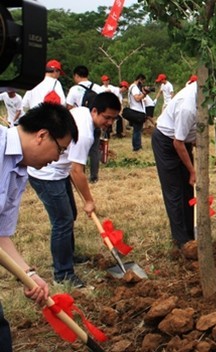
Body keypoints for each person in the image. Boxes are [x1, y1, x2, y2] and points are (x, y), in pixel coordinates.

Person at [1, 103, 78, 352]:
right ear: (42, 135)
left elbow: (1, 236)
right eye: (60, 149)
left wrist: (29, 275)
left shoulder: (20, 171)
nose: (58, 158)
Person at [27, 93, 121, 288]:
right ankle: (63, 274)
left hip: (59, 170)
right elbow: (77, 170)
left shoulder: (81, 111)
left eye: (113, 118)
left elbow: (72, 166)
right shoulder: (85, 132)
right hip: (47, 174)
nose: (109, 123)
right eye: (106, 117)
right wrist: (89, 200)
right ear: (95, 111)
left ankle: (67, 254)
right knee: (62, 221)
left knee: (70, 214)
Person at [152, 81, 197, 248]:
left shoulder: (205, 94)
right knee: (174, 191)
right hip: (166, 141)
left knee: (188, 189)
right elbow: (178, 143)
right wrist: (192, 170)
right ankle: (181, 241)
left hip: (182, 140)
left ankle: (191, 233)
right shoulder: (188, 107)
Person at [65, 65, 103, 183]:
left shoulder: (74, 89)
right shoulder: (98, 88)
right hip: (96, 122)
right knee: (94, 150)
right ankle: (94, 176)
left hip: (79, 124)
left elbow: (69, 107)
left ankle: (80, 173)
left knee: (79, 150)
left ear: (76, 75)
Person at [128, 74, 151, 151]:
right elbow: (137, 98)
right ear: (139, 80)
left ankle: (137, 145)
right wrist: (144, 93)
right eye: (142, 81)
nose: (142, 84)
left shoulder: (133, 87)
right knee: (137, 130)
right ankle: (137, 147)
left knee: (137, 130)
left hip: (136, 110)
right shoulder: (134, 87)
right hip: (137, 111)